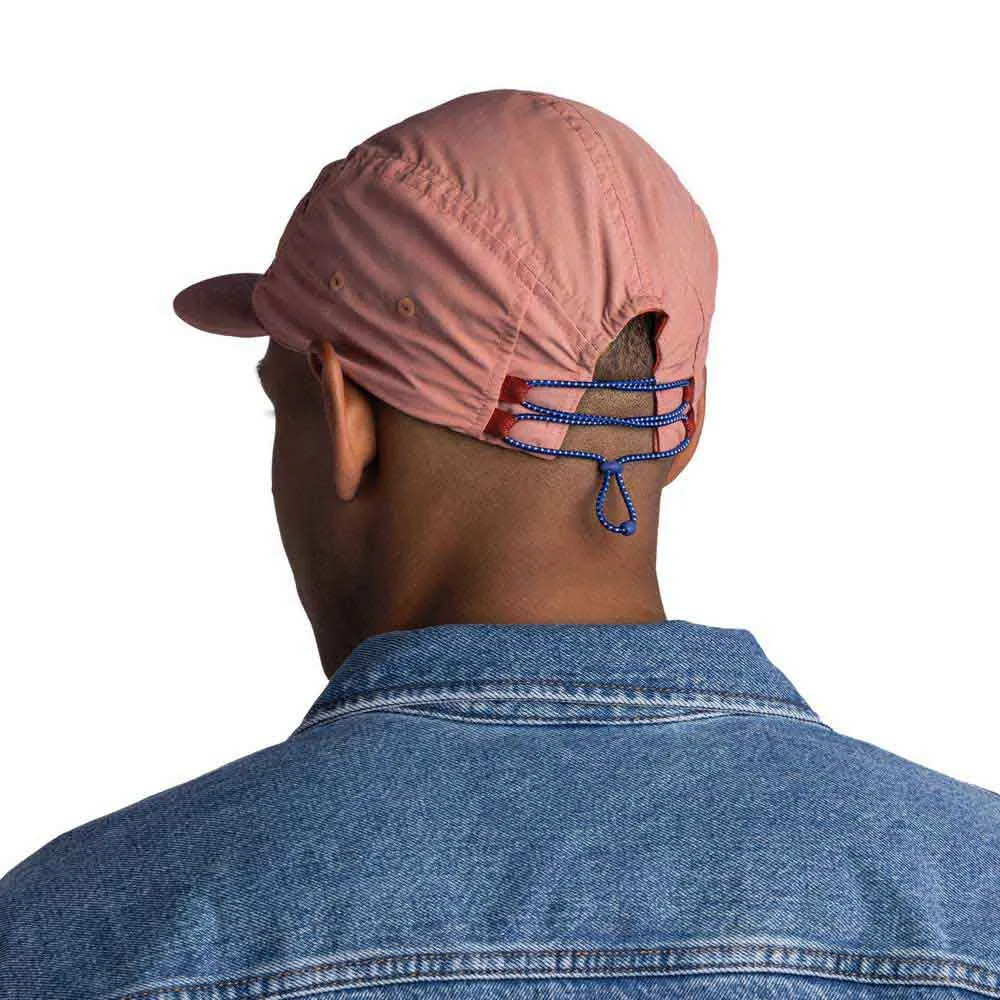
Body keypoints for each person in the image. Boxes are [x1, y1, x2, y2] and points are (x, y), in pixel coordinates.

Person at [1, 89, 997, 1000]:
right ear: (685, 425)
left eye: (282, 405)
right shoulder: (972, 902)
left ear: (346, 419)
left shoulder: (82, 937)